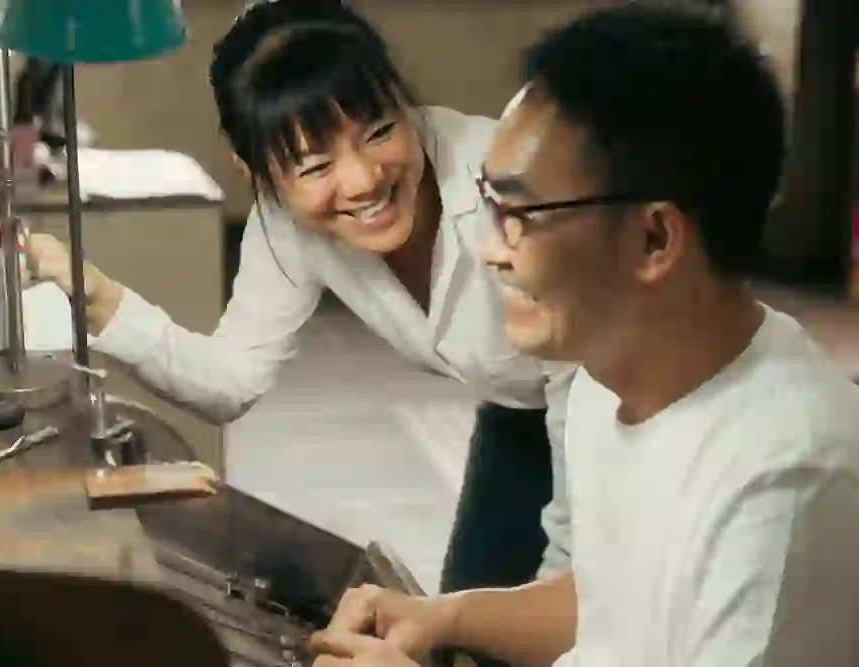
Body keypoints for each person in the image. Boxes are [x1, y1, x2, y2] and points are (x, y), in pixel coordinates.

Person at [310, 3, 859, 666]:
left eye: (520, 213)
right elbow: (604, 603)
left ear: (654, 238)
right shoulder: (609, 374)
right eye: (490, 202)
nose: (490, 249)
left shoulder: (784, 479)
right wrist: (444, 615)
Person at [22, 0, 574, 634]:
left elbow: (584, 400)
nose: (364, 180)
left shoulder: (504, 189)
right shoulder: (286, 224)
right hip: (514, 414)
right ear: (256, 170)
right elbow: (230, 381)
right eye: (315, 166)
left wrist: (561, 599)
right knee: (466, 639)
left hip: (618, 399)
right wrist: (93, 295)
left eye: (379, 131)